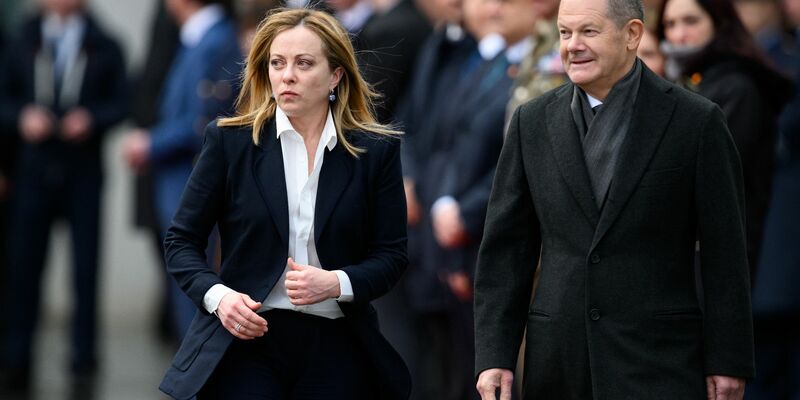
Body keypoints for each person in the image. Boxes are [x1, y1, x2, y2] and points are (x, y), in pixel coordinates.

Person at [473, 0, 754, 398]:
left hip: (659, 360)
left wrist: (728, 360)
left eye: (588, 31)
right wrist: (494, 355)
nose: (572, 45)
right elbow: (506, 250)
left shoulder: (696, 121)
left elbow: (725, 251)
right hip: (560, 361)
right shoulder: (531, 122)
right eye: (565, 32)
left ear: (633, 35)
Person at [158, 8, 410, 400]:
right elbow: (181, 241)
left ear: (336, 76)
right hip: (247, 338)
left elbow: (391, 255)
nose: (287, 75)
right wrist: (220, 298)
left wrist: (336, 282)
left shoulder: (374, 151)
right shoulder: (231, 142)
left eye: (304, 63)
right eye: (277, 63)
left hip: (337, 340)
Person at [0, 0, 128, 394]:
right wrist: (22, 117)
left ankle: (83, 362)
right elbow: (5, 97)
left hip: (82, 173)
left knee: (85, 270)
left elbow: (121, 101)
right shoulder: (22, 38)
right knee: (23, 271)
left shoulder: (105, 42)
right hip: (32, 173)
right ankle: (16, 360)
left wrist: (92, 119)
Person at [121, 0, 242, 341]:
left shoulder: (215, 40)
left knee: (196, 296)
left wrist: (151, 143)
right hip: (177, 182)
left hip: (192, 184)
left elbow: (204, 121)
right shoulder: (198, 37)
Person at [658, 0, 792, 279]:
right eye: (670, 24)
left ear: (718, 23)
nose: (679, 34)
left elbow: (708, 176)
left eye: (691, 21)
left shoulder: (737, 87)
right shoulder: (685, 82)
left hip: (716, 260)